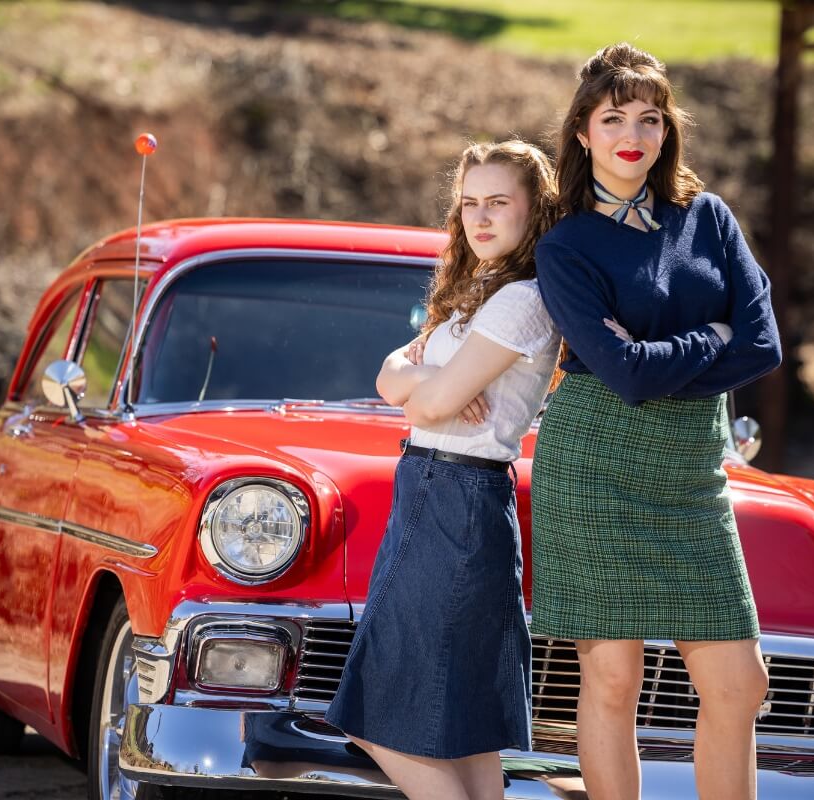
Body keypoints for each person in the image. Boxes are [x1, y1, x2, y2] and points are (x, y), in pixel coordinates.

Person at [529, 44, 782, 800]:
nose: (632, 133)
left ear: (669, 129)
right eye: (613, 119)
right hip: (594, 463)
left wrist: (665, 355)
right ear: (582, 132)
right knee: (613, 679)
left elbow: (763, 345)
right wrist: (712, 337)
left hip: (693, 473)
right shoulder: (565, 244)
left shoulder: (708, 218)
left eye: (650, 117)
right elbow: (625, 376)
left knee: (741, 683)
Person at [325, 140, 561, 800]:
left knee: (375, 721)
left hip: (454, 495)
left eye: (498, 203)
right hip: (445, 494)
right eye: (469, 205)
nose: (480, 219)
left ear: (533, 209)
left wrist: (426, 383)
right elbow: (389, 377)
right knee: (466, 731)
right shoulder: (468, 297)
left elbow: (421, 401)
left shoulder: (522, 301)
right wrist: (431, 376)